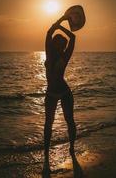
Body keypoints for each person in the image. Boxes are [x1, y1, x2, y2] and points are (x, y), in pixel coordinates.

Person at [43, 15, 76, 175]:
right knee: (48, 124)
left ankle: (72, 148)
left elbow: (73, 36)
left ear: (63, 46)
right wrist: (62, 19)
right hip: (50, 93)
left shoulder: (65, 55)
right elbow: (49, 32)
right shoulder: (49, 53)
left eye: (61, 44)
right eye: (57, 42)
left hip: (64, 92)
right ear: (53, 43)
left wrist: (62, 25)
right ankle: (46, 156)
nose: (59, 45)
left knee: (70, 120)